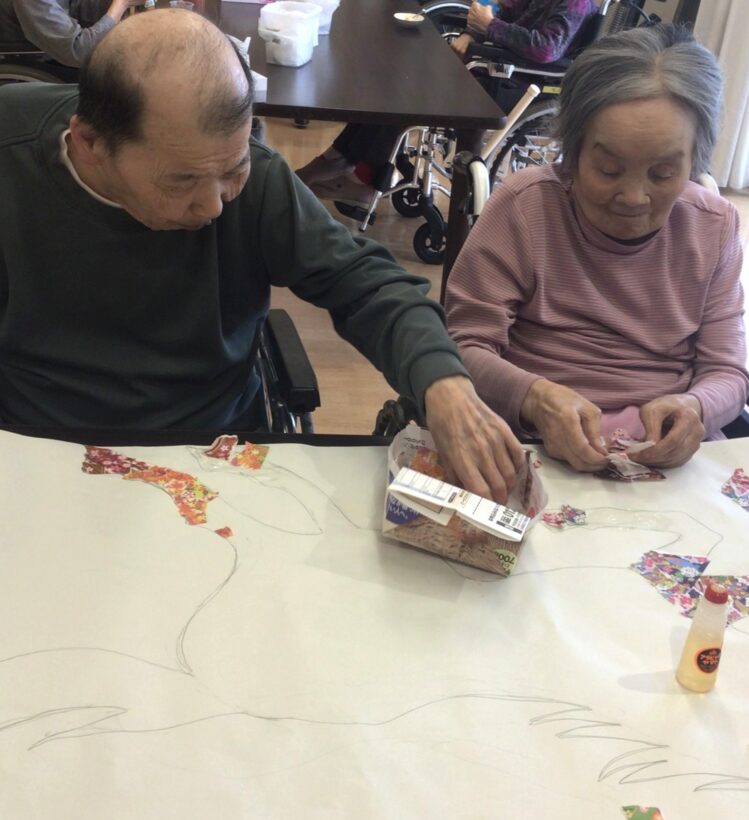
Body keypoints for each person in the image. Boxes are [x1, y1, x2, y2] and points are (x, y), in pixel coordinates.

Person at [0, 8, 523, 502]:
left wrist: (443, 382)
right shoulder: (11, 158)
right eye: (181, 180)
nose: (213, 206)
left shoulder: (259, 182)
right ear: (90, 144)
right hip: (37, 447)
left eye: (233, 170)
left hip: (209, 445)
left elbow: (367, 284)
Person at [446, 23, 749, 472]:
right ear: (572, 152)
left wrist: (697, 407)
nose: (634, 197)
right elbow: (462, 347)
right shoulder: (525, 207)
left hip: (666, 462)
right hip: (527, 443)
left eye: (663, 174)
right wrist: (534, 398)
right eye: (608, 169)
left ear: (695, 161)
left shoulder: (714, 226)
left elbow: (728, 372)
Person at [297, 0, 598, 208]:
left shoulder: (576, 3)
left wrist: (490, 27)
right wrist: (472, 30)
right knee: (396, 77)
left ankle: (357, 172)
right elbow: (501, 10)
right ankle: (348, 162)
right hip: (492, 67)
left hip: (511, 82)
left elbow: (547, 49)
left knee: (404, 90)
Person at [0, 0, 145, 68]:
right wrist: (120, 5)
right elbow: (78, 51)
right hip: (37, 59)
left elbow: (77, 7)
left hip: (59, 47)